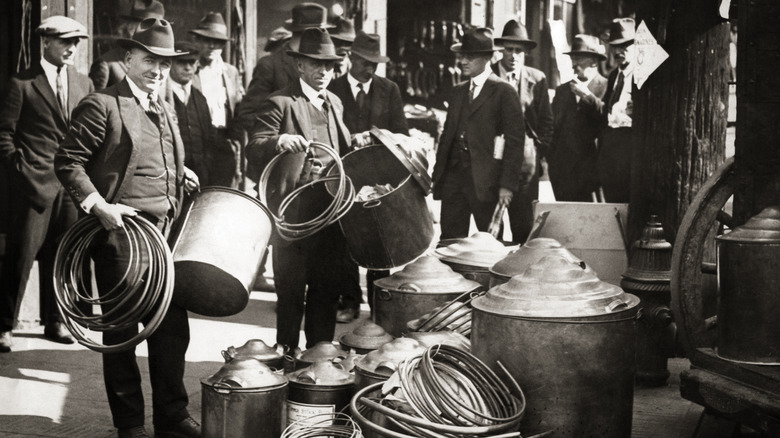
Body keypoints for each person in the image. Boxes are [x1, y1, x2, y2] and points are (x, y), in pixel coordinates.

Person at [54, 18, 201, 438]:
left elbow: (155, 158)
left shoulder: (167, 108)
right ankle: (130, 424)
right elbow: (68, 161)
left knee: (171, 331)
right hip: (120, 238)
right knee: (121, 335)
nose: (158, 70)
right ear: (128, 59)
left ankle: (172, 415)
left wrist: (179, 173)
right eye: (150, 60)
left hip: (165, 240)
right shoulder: (102, 104)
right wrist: (98, 205)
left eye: (165, 64)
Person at [245, 27, 353, 351]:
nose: (323, 71)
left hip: (331, 213)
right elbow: (254, 146)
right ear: (300, 66)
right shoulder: (280, 103)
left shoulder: (335, 102)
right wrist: (278, 141)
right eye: (315, 64)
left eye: (329, 66)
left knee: (326, 289)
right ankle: (286, 357)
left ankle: (319, 358)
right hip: (293, 215)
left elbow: (342, 152)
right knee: (291, 293)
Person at [0, 16, 93, 352]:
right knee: (20, 258)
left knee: (63, 257)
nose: (71, 48)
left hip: (71, 187)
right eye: (64, 41)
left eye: (75, 43)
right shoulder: (22, 83)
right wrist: (22, 171)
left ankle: (55, 321)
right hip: (33, 186)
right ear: (46, 42)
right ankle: (4, 325)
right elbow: (4, 136)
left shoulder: (84, 84)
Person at [239, 2, 334, 294]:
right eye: (310, 33)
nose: (322, 68)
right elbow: (250, 114)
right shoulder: (270, 65)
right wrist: (280, 136)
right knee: (287, 254)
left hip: (321, 184)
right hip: (283, 170)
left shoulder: (327, 88)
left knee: (322, 270)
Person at [328, 31, 409, 322]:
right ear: (350, 57)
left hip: (378, 175)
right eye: (365, 62)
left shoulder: (390, 89)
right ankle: (349, 301)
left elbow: (402, 133)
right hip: (345, 175)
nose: (370, 68)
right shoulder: (333, 89)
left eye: (375, 63)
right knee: (346, 241)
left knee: (378, 239)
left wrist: (375, 136)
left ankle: (379, 307)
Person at [432, 27, 527, 240]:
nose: (463, 61)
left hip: (486, 183)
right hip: (454, 180)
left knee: (489, 245)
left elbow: (514, 143)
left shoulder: (503, 91)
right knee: (450, 243)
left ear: (486, 58)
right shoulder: (458, 91)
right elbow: (447, 137)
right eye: (462, 56)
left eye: (470, 57)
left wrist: (506, 186)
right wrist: (438, 176)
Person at [491, 19, 553, 243]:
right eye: (509, 49)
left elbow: (546, 121)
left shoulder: (537, 79)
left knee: (524, 228)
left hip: (526, 167)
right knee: (491, 230)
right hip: (492, 162)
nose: (513, 55)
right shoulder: (488, 77)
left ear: (525, 52)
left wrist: (536, 151)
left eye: (519, 51)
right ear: (501, 50)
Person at [548, 34, 608, 202]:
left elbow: (606, 120)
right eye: (573, 58)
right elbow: (553, 129)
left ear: (594, 61)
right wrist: (553, 163)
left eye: (579, 58)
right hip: (563, 177)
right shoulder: (562, 91)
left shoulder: (607, 87)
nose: (574, 64)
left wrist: (586, 95)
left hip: (593, 177)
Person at [189, 12, 245, 189]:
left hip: (223, 143)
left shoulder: (230, 72)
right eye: (206, 40)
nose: (212, 46)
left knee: (223, 195)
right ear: (197, 41)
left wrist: (233, 139)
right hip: (196, 144)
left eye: (218, 42)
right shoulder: (189, 71)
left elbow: (239, 109)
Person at [167, 41, 216, 186]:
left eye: (192, 62)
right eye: (181, 62)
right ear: (170, 63)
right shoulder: (160, 95)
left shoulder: (200, 98)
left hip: (201, 175)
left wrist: (207, 165)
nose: (187, 67)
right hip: (171, 174)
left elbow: (209, 137)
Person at [598, 17, 636, 203]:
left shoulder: (641, 77)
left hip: (631, 151)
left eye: (625, 45)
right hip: (611, 152)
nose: (619, 51)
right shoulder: (614, 75)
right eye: (615, 46)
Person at [89, 0, 165, 90]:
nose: (155, 34)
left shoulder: (163, 67)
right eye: (148, 27)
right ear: (131, 29)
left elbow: (167, 103)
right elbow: (96, 101)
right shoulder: (107, 64)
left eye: (158, 29)